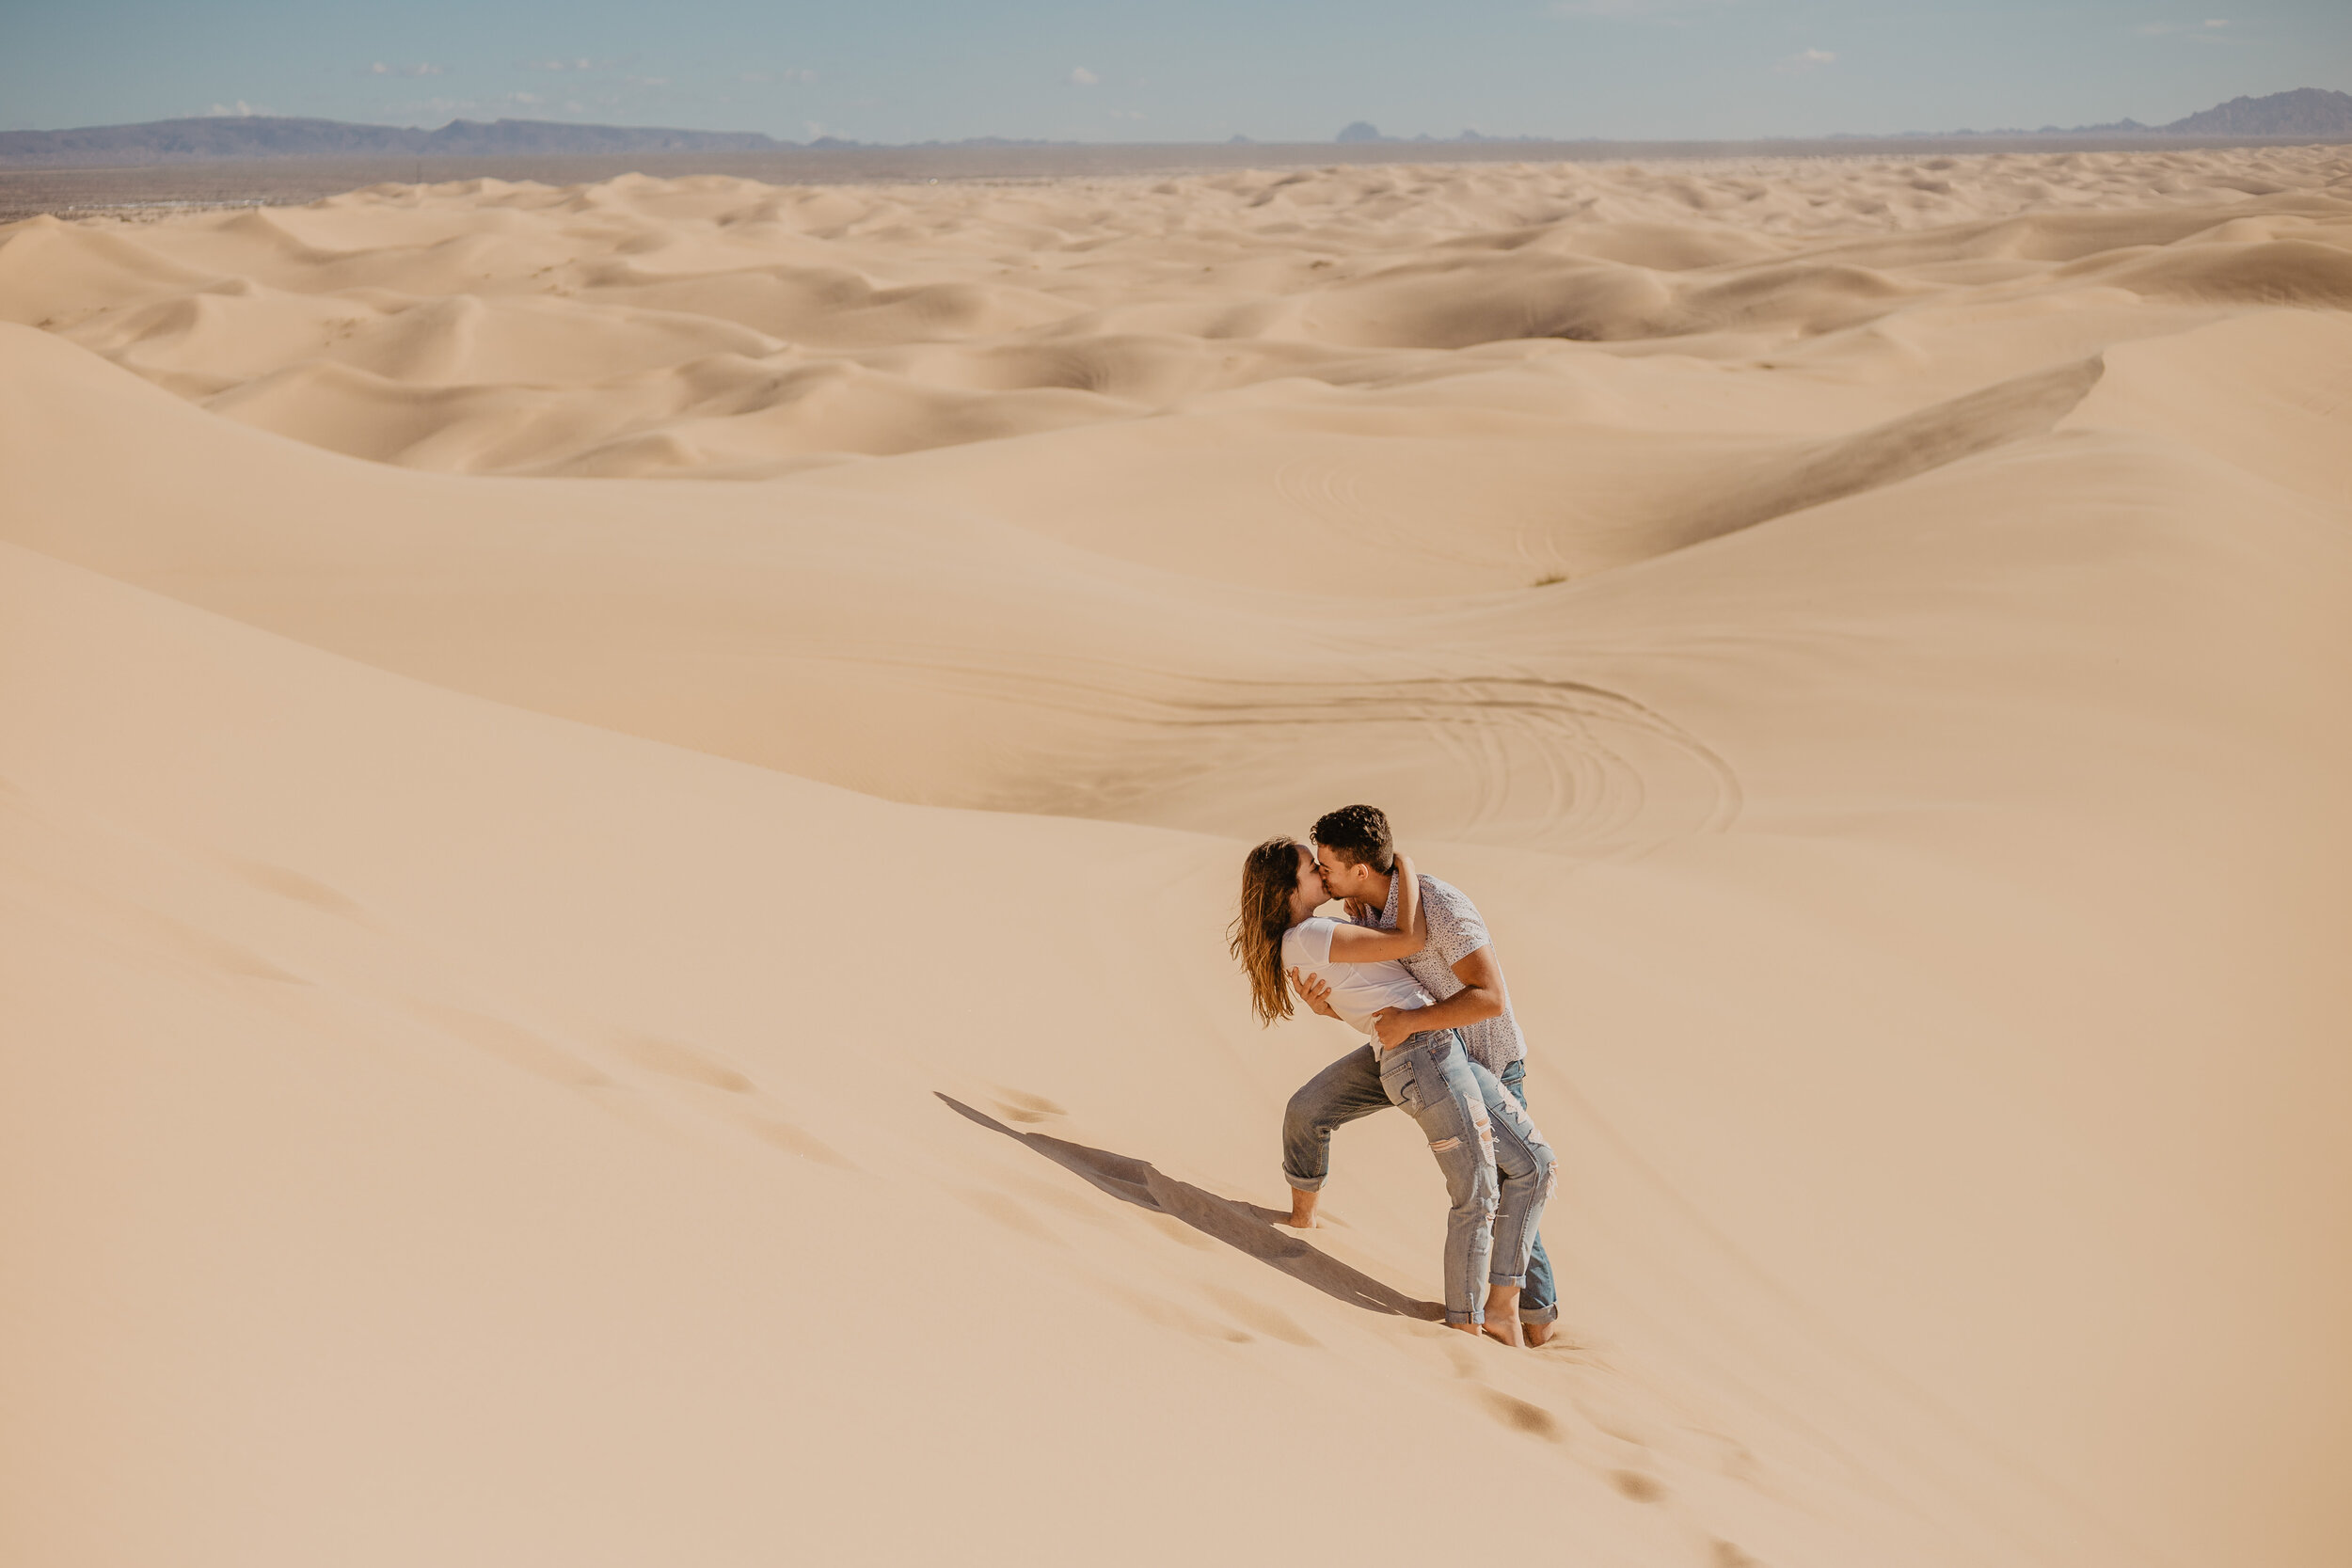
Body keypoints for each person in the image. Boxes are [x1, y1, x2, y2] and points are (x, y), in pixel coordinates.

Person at [1232, 835, 1554, 1344]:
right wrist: (1401, 863)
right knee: (1480, 1189)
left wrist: (1329, 1006)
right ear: (1287, 890)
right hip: (1424, 1055)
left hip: (1435, 1047)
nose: (1320, 870)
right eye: (1309, 867)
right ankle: (1469, 1327)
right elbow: (1409, 939)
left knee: (1534, 1166)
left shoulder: (1318, 934)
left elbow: (1369, 997)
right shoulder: (1312, 935)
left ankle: (1512, 1311)